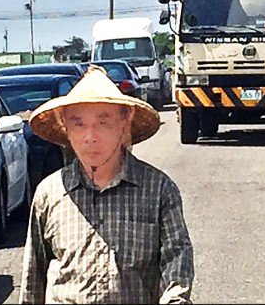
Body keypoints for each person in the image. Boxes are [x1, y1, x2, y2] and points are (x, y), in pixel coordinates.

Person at [19, 66, 194, 304]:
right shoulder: (49, 193)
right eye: (78, 124)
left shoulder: (158, 190)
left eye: (103, 123)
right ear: (65, 128)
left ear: (124, 124)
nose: (90, 136)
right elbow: (33, 278)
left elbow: (177, 263)